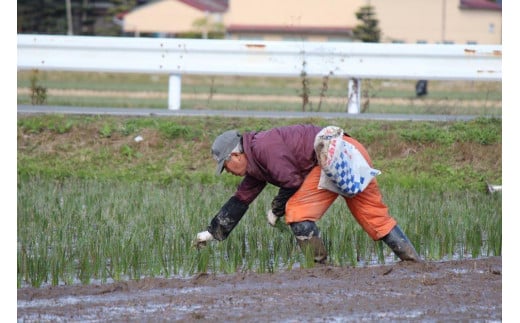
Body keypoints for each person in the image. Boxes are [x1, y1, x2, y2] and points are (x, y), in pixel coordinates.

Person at [194, 124, 420, 263]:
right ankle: (414, 262)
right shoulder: (256, 159)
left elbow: (291, 181)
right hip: (352, 150)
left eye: (225, 166)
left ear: (235, 155)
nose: (228, 172)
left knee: (298, 213)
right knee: (377, 218)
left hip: (332, 157)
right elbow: (241, 199)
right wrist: (213, 232)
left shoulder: (263, 147)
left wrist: (276, 209)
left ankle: (319, 267)